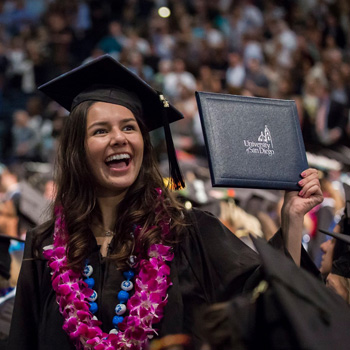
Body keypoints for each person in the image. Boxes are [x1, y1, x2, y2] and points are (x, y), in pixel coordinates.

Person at [8, 55, 323, 350]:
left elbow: (261, 303)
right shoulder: (45, 246)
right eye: (101, 130)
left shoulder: (189, 233)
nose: (119, 138)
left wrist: (292, 219)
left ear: (143, 143)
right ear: (78, 151)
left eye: (129, 127)